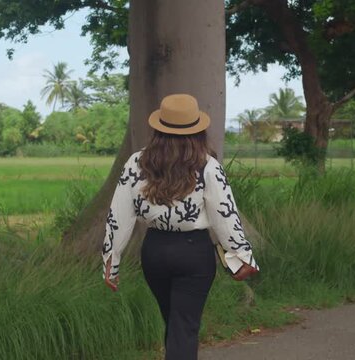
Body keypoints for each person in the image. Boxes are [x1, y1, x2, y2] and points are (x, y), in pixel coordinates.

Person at [101, 93, 260, 360]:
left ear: (158, 129)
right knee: (183, 327)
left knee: (175, 325)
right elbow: (225, 215)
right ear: (197, 130)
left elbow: (119, 215)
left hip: (154, 252)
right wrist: (241, 256)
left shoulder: (136, 163)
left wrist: (110, 260)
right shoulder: (208, 165)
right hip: (193, 253)